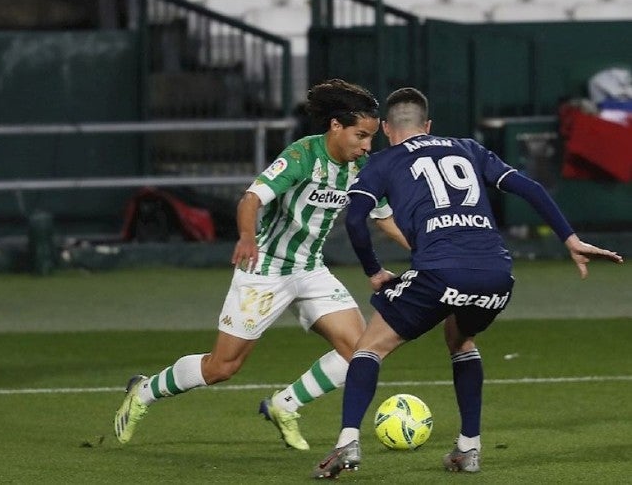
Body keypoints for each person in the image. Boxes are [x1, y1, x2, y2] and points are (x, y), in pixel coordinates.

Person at [312, 87, 623, 478]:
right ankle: (468, 448)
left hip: (440, 271)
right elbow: (530, 187)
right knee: (460, 339)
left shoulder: (384, 160)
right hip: (497, 275)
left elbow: (356, 220)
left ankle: (346, 443)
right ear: (427, 125)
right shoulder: (469, 148)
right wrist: (571, 239)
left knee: (368, 349)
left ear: (388, 128)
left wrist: (374, 271)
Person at [113, 79, 410, 449]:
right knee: (222, 367)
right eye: (361, 135)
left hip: (310, 270)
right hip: (265, 270)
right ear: (336, 125)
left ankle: (284, 405)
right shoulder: (303, 156)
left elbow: (383, 217)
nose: (367, 146)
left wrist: (422, 249)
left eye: (370, 138)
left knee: (361, 351)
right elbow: (251, 198)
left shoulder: (361, 168)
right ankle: (144, 392)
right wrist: (248, 238)